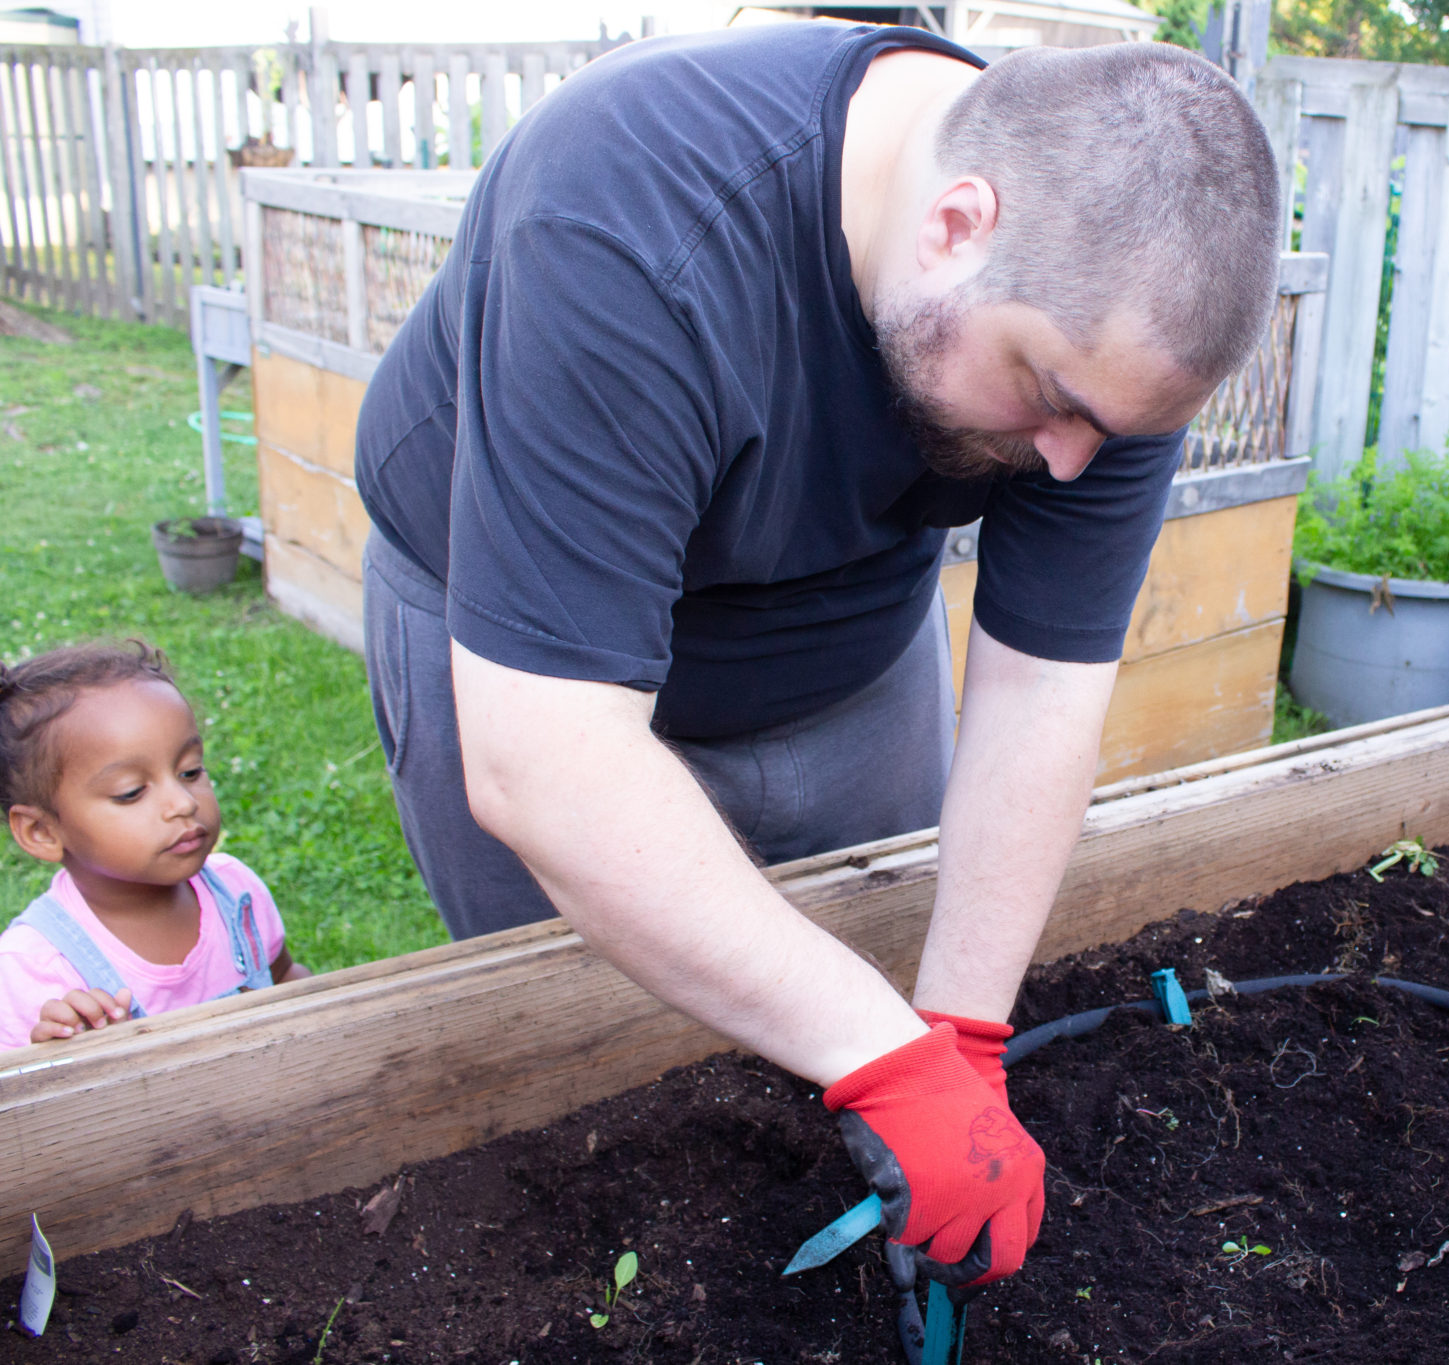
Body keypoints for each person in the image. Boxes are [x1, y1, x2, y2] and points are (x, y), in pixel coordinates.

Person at [352, 23, 1283, 1287]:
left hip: (846, 644)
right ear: (956, 224)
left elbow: (1042, 686)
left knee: (863, 1033)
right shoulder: (628, 220)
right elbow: (548, 764)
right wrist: (884, 1059)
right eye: (1050, 399)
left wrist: (953, 1037)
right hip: (521, 644)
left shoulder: (1107, 334)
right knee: (601, 1102)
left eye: (1107, 431)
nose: (1073, 463)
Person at [0, 642, 310, 1050]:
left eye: (190, 771)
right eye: (131, 793)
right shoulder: (32, 969)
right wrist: (66, 1053)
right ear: (42, 831)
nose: (184, 803)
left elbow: (287, 982)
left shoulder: (236, 893)